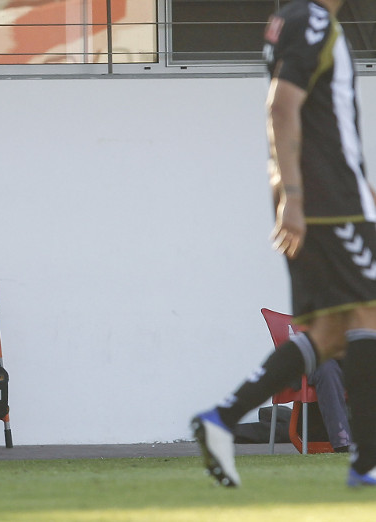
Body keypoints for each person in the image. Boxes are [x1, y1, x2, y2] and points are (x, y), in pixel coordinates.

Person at [192, 0, 376, 487]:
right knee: (368, 316)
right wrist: (292, 197)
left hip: (340, 201)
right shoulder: (311, 21)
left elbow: (323, 126)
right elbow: (281, 105)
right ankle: (367, 463)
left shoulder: (304, 22)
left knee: (330, 335)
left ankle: (220, 421)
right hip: (330, 206)